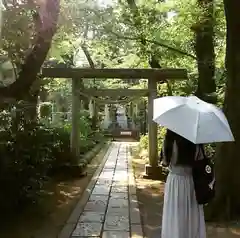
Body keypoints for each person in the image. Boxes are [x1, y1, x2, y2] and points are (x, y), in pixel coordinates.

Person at [161, 129, 206, 238]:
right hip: (190, 181)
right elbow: (201, 160)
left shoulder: (170, 139)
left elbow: (165, 162)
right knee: (191, 214)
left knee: (174, 213)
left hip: (174, 181)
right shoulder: (196, 140)